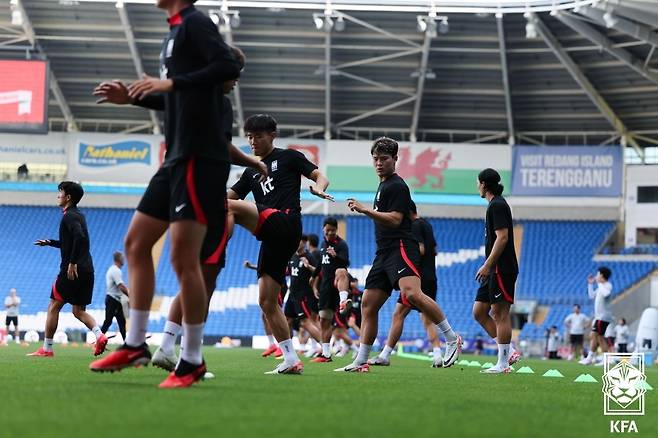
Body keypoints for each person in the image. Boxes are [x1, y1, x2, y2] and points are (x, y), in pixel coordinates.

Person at [89, 0, 241, 389]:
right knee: (136, 244)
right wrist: (135, 97)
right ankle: (136, 343)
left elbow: (225, 65)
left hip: (197, 158)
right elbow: (178, 96)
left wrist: (172, 83)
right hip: (174, 158)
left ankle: (191, 360)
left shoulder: (195, 23)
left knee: (182, 259)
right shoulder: (173, 31)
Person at [337, 137, 461, 372]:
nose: (379, 163)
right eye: (375, 159)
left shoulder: (397, 185)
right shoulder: (383, 185)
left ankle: (452, 338)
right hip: (383, 252)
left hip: (400, 247)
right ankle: (361, 360)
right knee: (368, 304)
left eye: (384, 158)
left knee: (412, 294)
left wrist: (366, 210)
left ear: (395, 159)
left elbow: (395, 219)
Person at [227, 113, 333, 375]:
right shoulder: (251, 169)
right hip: (271, 236)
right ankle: (290, 358)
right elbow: (230, 195)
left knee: (227, 209)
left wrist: (319, 188)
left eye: (258, 136)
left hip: (286, 222)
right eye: (249, 137)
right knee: (266, 301)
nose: (253, 141)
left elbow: (320, 175)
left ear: (272, 136)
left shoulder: (289, 157)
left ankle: (213, 250)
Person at [30, 182, 107, 357]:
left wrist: (72, 263)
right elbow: (73, 241)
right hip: (88, 270)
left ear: (68, 197)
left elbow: (79, 238)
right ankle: (99, 336)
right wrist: (50, 242)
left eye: (60, 192)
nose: (58, 195)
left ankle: (47, 349)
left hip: (72, 270)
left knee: (53, 306)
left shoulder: (68, 217)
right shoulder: (79, 215)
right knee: (78, 311)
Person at [369, 201, 444, 368]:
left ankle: (385, 354)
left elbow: (421, 249)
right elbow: (434, 250)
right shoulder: (427, 225)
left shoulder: (415, 225)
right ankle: (438, 354)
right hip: (431, 276)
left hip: (416, 276)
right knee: (426, 318)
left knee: (398, 314)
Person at [472, 168, 521, 374]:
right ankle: (509, 352)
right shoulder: (493, 205)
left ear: (484, 184)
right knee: (479, 312)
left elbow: (502, 238)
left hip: (501, 268)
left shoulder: (498, 205)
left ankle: (503, 363)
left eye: (478, 182)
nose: (477, 186)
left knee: (500, 313)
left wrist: (488, 265)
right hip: (494, 269)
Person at [310, 217, 350, 363]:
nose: (329, 233)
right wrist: (314, 281)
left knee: (341, 271)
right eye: (327, 230)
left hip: (338, 283)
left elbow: (346, 262)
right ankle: (326, 354)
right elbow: (321, 265)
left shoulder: (342, 244)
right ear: (323, 229)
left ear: (336, 230)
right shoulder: (322, 245)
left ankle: (343, 300)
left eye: (332, 230)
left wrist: (336, 256)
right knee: (324, 321)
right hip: (325, 287)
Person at [284, 235, 322, 345]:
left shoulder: (309, 257)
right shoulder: (292, 256)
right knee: (287, 321)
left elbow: (319, 273)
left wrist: (308, 266)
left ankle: (325, 348)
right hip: (292, 294)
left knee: (305, 322)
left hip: (303, 295)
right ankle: (288, 351)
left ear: (304, 243)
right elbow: (288, 272)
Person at [579, 267, 613, 365]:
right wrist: (590, 284)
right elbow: (591, 296)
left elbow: (606, 294)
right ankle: (594, 358)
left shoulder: (607, 285)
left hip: (603, 317)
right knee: (597, 337)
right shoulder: (601, 286)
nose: (596, 276)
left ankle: (596, 359)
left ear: (602, 275)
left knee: (597, 336)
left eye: (598, 274)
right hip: (599, 317)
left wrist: (599, 283)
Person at [100, 251, 129, 341]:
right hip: (112, 299)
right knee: (108, 321)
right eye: (122, 258)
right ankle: (98, 340)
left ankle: (126, 343)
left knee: (121, 322)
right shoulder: (115, 270)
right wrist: (131, 296)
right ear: (119, 259)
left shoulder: (115, 270)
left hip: (116, 300)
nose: (124, 260)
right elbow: (121, 286)